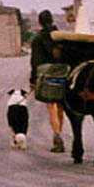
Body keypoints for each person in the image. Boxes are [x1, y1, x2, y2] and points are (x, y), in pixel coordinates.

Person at [30, 10, 65, 153]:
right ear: (52, 20)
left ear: (40, 22)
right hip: (62, 74)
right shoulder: (61, 36)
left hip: (47, 76)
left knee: (51, 107)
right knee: (61, 106)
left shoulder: (37, 39)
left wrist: (33, 80)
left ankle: (57, 135)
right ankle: (60, 131)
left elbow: (35, 62)